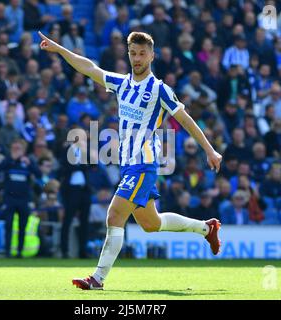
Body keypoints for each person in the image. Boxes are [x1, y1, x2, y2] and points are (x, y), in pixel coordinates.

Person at [38, 31, 223, 290]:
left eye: (142, 53)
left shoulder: (160, 89)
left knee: (114, 216)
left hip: (144, 164)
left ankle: (97, 278)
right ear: (128, 54)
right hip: (128, 165)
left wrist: (210, 150)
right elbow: (88, 67)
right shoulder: (122, 83)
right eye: (133, 53)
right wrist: (59, 49)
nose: (137, 58)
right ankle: (207, 228)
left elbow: (185, 120)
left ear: (152, 55)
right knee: (151, 223)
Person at [0, 139, 42, 258]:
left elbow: (39, 174)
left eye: (19, 149)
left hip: (23, 199)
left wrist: (30, 164)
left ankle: (20, 252)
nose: (16, 151)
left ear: (23, 150)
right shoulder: (8, 160)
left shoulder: (27, 162)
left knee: (23, 226)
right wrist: (12, 159)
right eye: (14, 148)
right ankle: (7, 251)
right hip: (10, 198)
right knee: (9, 225)